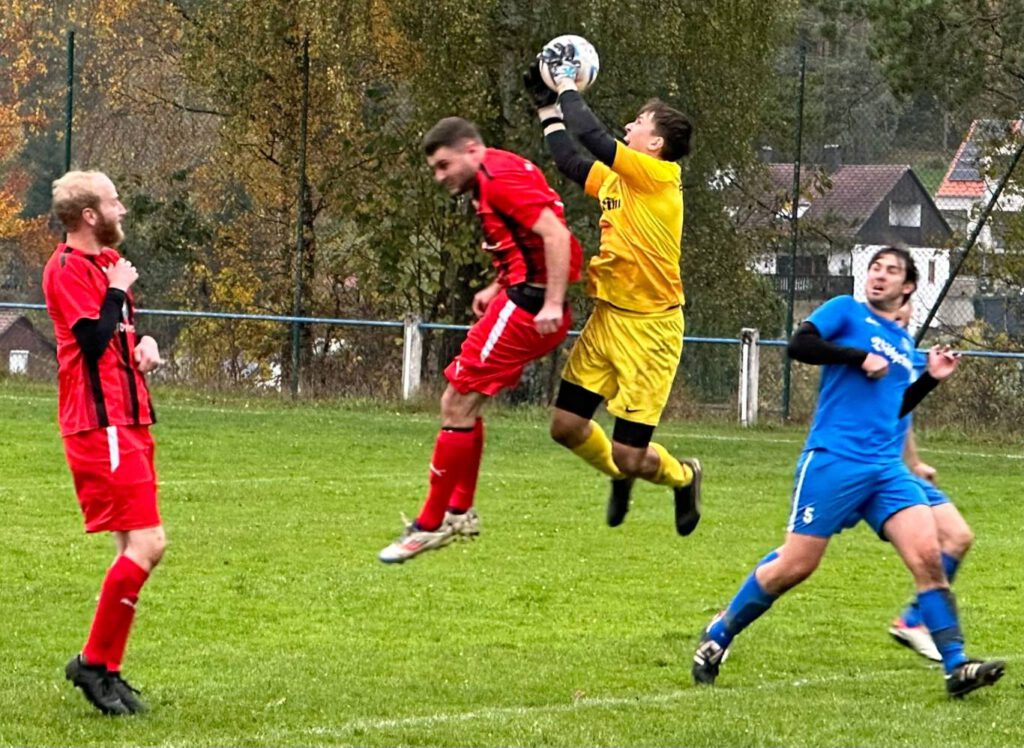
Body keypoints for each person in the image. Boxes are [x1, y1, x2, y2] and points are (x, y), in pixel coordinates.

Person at [691, 247, 1004, 698]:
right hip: (834, 459)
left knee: (929, 559)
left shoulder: (901, 345)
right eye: (875, 268)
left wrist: (930, 377)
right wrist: (857, 357)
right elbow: (800, 344)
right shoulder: (845, 311)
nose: (879, 276)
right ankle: (719, 635)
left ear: (909, 286)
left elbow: (894, 408)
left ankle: (956, 667)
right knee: (796, 566)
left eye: (891, 271)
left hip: (885, 470)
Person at [378, 117, 583, 564]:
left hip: (529, 308)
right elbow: (524, 242)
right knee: (465, 405)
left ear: (470, 150)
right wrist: (496, 286)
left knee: (455, 402)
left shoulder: (498, 181)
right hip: (518, 297)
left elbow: (555, 236)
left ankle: (430, 526)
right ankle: (460, 511)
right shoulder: (495, 172)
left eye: (443, 165)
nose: (439, 177)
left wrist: (550, 302)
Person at [523, 45, 700, 534]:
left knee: (630, 452)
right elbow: (571, 159)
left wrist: (566, 86)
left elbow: (593, 136)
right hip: (608, 319)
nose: (629, 127)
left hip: (651, 330)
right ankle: (619, 475)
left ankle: (683, 477)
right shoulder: (623, 180)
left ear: (655, 144)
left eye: (639, 123)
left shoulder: (659, 177)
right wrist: (546, 107)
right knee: (565, 427)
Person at [43, 170, 166, 715]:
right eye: (115, 202)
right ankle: (92, 663)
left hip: (128, 419)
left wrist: (144, 344)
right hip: (100, 424)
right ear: (89, 215)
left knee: (132, 549)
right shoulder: (67, 268)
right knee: (148, 545)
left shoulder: (103, 266)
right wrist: (118, 292)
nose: (123, 211)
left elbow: (113, 337)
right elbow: (90, 341)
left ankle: (107, 669)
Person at [888, 301, 974, 662]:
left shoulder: (903, 353)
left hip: (895, 469)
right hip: (861, 469)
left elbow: (900, 415)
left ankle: (913, 621)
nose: (899, 312)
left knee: (958, 536)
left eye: (903, 305)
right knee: (797, 561)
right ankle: (724, 626)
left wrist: (914, 461)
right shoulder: (872, 350)